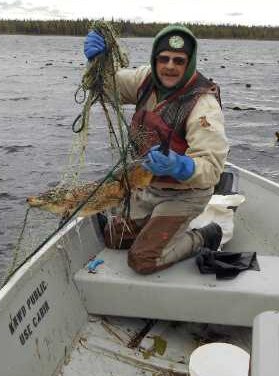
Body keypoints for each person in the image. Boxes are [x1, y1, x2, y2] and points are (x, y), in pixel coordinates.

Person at [83, 25, 228, 274]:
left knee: (142, 260)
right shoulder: (145, 79)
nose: (170, 66)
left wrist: (181, 165)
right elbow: (106, 87)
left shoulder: (204, 104)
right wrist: (96, 61)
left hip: (186, 194)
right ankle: (155, 223)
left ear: (189, 63)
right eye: (164, 59)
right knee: (113, 238)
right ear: (155, 59)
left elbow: (212, 168)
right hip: (150, 188)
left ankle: (204, 236)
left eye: (179, 61)